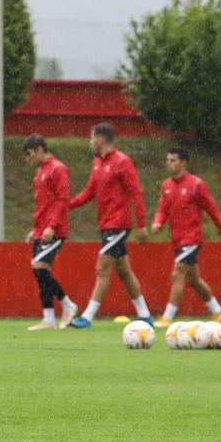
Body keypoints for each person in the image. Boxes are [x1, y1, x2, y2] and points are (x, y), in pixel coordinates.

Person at [67, 123, 154, 328]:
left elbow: (137, 192)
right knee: (123, 270)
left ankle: (87, 317)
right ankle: (145, 314)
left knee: (102, 267)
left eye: (92, 137)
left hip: (119, 223)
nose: (90, 142)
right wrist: (66, 205)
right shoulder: (97, 162)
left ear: (101, 138)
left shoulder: (122, 162)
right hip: (106, 224)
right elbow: (89, 192)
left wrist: (141, 224)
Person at [151, 148, 221, 327]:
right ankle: (218, 312)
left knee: (177, 273)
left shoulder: (196, 184)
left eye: (173, 160)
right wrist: (158, 222)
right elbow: (162, 208)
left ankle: (167, 317)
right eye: (168, 160)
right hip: (177, 239)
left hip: (192, 238)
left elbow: (212, 210)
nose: (169, 164)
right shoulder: (166, 185)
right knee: (194, 280)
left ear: (184, 162)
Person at [22, 135, 80, 330]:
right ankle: (49, 319)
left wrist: (51, 225)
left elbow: (62, 200)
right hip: (41, 230)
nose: (28, 159)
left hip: (55, 230)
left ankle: (67, 304)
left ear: (39, 149)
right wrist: (36, 228)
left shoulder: (58, 168)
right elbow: (43, 203)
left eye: (30, 154)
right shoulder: (40, 171)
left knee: (38, 267)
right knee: (40, 273)